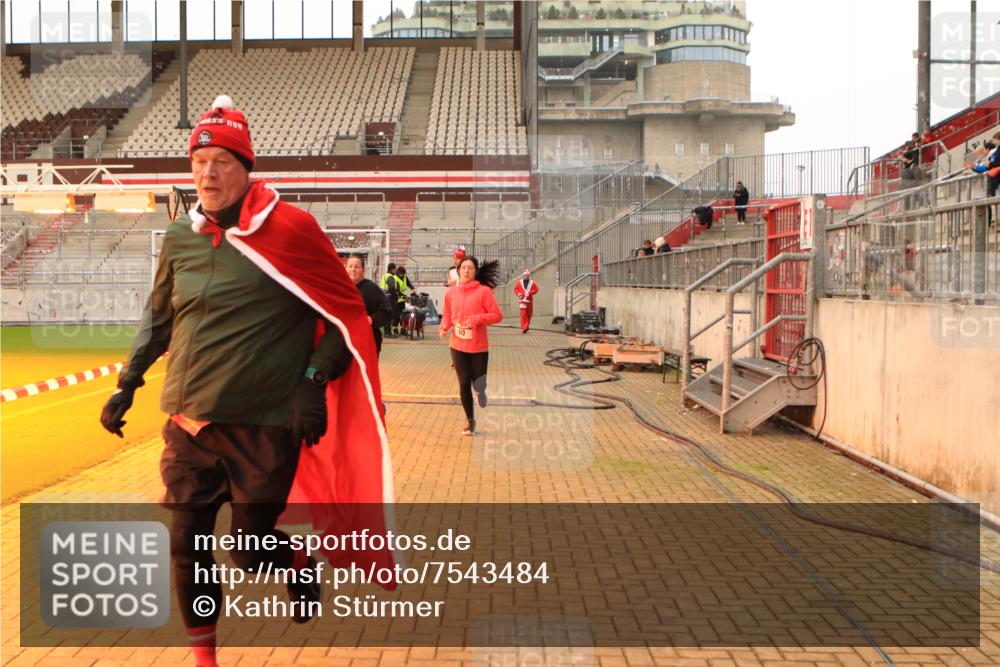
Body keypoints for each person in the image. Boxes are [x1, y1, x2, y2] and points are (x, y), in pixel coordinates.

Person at [98, 95, 393, 667]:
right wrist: (126, 382)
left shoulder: (290, 228)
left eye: (222, 161)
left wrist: (313, 378)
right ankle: (205, 657)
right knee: (186, 546)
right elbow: (159, 318)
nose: (207, 172)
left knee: (249, 548)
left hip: (264, 423)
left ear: (246, 167)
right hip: (189, 419)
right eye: (199, 159)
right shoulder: (179, 239)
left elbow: (344, 312)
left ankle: (297, 564)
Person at [439, 256, 502, 435]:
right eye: (463, 267)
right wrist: (444, 326)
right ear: (458, 270)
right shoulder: (451, 293)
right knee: (463, 381)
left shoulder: (484, 292)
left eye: (470, 268)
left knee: (478, 382)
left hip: (478, 346)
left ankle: (481, 392)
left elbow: (497, 315)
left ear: (475, 272)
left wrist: (477, 319)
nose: (466, 270)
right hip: (457, 344)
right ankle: (470, 420)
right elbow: (447, 315)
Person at [346, 253, 394, 355]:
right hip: (345, 341)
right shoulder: (341, 288)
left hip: (368, 340)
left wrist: (371, 319)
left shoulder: (372, 289)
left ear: (363, 270)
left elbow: (387, 312)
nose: (353, 269)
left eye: (357, 267)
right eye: (350, 266)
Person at [513, 269, 539, 334]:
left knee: (529, 314)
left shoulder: (532, 283)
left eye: (528, 275)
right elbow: (515, 289)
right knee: (523, 315)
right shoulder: (519, 282)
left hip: (529, 301)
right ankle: (524, 327)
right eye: (526, 275)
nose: (527, 276)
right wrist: (518, 293)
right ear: (523, 275)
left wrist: (530, 292)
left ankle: (526, 326)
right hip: (522, 301)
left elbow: (536, 289)